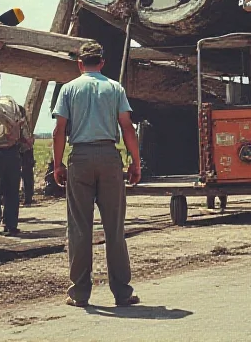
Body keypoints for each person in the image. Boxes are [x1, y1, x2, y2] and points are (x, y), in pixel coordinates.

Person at [53, 41, 142, 308]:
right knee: (114, 228)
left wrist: (58, 164)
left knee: (80, 228)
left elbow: (59, 131)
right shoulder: (115, 88)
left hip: (79, 158)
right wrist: (135, 162)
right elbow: (127, 128)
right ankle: (122, 293)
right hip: (109, 157)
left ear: (80, 64)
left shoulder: (68, 89)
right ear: (101, 62)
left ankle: (80, 293)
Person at [0, 95, 31, 236]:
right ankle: (10, 225)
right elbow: (27, 140)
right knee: (12, 192)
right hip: (12, 153)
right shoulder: (19, 113)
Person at [18, 105, 35, 205]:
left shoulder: (21, 123)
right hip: (26, 150)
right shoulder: (24, 123)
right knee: (27, 175)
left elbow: (23, 137)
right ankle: (28, 196)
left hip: (24, 150)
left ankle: (28, 197)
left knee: (26, 175)